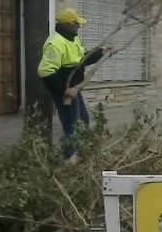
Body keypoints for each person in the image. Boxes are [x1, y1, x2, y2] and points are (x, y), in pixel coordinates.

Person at [37, 8, 106, 159]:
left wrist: (101, 52)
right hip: (65, 91)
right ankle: (68, 159)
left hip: (75, 89)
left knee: (83, 121)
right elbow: (45, 71)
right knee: (72, 127)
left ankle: (81, 153)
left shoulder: (73, 39)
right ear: (67, 24)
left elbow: (80, 61)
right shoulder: (55, 43)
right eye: (76, 23)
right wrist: (64, 90)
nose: (79, 26)